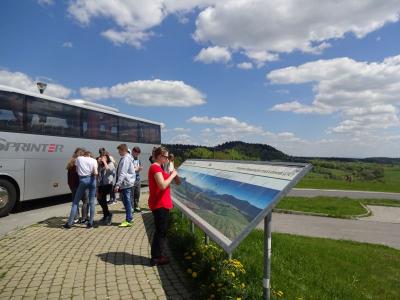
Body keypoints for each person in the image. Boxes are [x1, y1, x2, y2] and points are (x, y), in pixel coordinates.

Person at [148, 146, 179, 266]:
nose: (167, 159)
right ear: (159, 156)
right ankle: (156, 257)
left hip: (162, 203)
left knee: (162, 231)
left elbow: (176, 182)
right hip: (159, 204)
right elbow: (162, 185)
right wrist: (171, 176)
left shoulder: (159, 168)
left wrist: (173, 175)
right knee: (160, 232)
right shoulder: (155, 167)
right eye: (165, 156)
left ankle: (158, 255)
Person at [63, 151, 98, 229]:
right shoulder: (94, 160)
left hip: (83, 180)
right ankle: (90, 223)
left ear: (84, 155)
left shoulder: (79, 158)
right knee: (92, 202)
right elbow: (96, 172)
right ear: (90, 155)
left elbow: (77, 169)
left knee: (75, 202)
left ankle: (69, 224)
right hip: (92, 180)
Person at [114, 144, 136, 227]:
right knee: (127, 201)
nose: (119, 152)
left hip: (126, 183)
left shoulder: (126, 159)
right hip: (128, 182)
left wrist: (117, 184)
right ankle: (130, 218)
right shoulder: (127, 158)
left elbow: (123, 172)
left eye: (119, 150)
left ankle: (129, 220)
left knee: (126, 201)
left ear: (123, 150)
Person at [66, 148, 89, 224]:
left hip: (73, 186)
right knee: (85, 202)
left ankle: (76, 218)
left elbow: (69, 177)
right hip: (81, 186)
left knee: (75, 203)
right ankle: (84, 218)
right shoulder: (81, 164)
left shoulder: (70, 164)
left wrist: (71, 186)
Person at [97, 150, 115, 225]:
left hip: (108, 185)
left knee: (102, 199)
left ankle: (108, 215)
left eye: (104, 157)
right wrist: (98, 163)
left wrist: (104, 162)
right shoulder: (100, 165)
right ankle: (106, 214)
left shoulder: (110, 164)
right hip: (101, 184)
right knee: (100, 200)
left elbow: (109, 170)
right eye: (102, 157)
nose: (103, 158)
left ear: (107, 157)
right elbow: (97, 172)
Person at [131, 146, 143, 213]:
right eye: (136, 153)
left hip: (137, 178)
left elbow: (139, 166)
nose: (137, 155)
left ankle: (136, 206)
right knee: (132, 194)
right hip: (132, 179)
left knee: (137, 193)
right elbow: (129, 169)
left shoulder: (138, 159)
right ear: (133, 152)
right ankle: (132, 207)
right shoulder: (129, 159)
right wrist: (136, 169)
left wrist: (140, 168)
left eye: (138, 154)